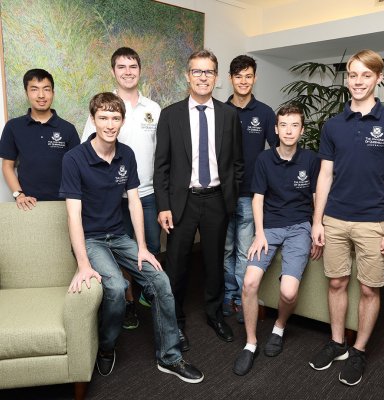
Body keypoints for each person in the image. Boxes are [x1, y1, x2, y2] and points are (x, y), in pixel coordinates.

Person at [60, 92, 203, 383]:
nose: (110, 124)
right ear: (93, 119)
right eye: (103, 118)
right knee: (114, 287)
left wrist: (142, 248)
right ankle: (106, 347)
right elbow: (73, 215)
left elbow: (134, 202)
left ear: (122, 121)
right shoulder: (74, 159)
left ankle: (169, 357)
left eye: (115, 118)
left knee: (160, 280)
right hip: (91, 239)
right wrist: (84, 263)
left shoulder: (127, 154)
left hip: (119, 235)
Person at [309, 49, 384, 386]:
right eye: (352, 74)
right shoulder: (333, 124)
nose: (358, 81)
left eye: (365, 75)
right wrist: (317, 221)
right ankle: (337, 343)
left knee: (369, 290)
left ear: (378, 78)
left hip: (372, 221)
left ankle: (359, 350)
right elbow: (324, 176)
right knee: (335, 281)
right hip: (334, 217)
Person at [154, 49, 244, 352]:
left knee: (214, 262)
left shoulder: (230, 115)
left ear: (216, 78)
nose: (203, 77)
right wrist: (164, 205)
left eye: (208, 72)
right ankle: (175, 321)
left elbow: (237, 162)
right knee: (176, 265)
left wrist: (231, 197)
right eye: (197, 71)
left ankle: (214, 313)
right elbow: (161, 166)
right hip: (183, 202)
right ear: (187, 75)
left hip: (217, 200)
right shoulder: (170, 115)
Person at [232, 104, 321, 376]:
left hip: (299, 227)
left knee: (289, 292)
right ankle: (250, 343)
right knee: (248, 283)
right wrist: (259, 233)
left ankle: (279, 327)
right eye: (284, 125)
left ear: (302, 130)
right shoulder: (263, 159)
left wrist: (318, 227)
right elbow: (257, 198)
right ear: (276, 129)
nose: (289, 130)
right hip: (269, 227)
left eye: (295, 125)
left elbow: (318, 196)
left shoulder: (310, 160)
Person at [82, 47, 161, 330]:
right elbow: (86, 152)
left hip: (147, 194)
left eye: (132, 66)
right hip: (113, 198)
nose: (128, 71)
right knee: (119, 252)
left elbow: (160, 154)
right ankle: (127, 303)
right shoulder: (104, 109)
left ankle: (147, 299)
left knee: (150, 247)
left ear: (140, 70)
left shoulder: (153, 109)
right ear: (113, 71)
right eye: (121, 67)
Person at [223, 55, 276, 324]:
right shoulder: (220, 111)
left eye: (248, 76)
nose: (243, 81)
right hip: (221, 194)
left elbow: (278, 151)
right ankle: (228, 297)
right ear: (230, 79)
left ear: (254, 78)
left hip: (250, 195)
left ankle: (244, 300)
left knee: (245, 251)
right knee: (225, 250)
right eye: (238, 76)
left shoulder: (265, 113)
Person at [0, 69, 79, 209]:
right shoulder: (13, 127)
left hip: (63, 204)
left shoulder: (68, 129)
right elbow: (7, 165)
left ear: (53, 93)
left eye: (46, 89)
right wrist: (19, 194)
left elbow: (77, 169)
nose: (41, 95)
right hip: (27, 204)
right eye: (34, 89)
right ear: (26, 93)